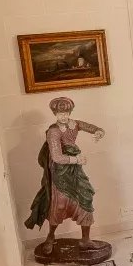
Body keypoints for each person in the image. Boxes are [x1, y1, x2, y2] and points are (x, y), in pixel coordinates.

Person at [25, 96, 105, 253]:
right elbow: (56, 157)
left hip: (75, 171)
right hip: (60, 173)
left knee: (85, 198)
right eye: (60, 113)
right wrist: (77, 159)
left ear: (70, 112)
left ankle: (85, 240)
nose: (63, 116)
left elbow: (90, 127)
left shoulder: (74, 124)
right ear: (55, 114)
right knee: (59, 204)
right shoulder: (53, 132)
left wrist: (99, 132)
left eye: (66, 113)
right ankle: (50, 237)